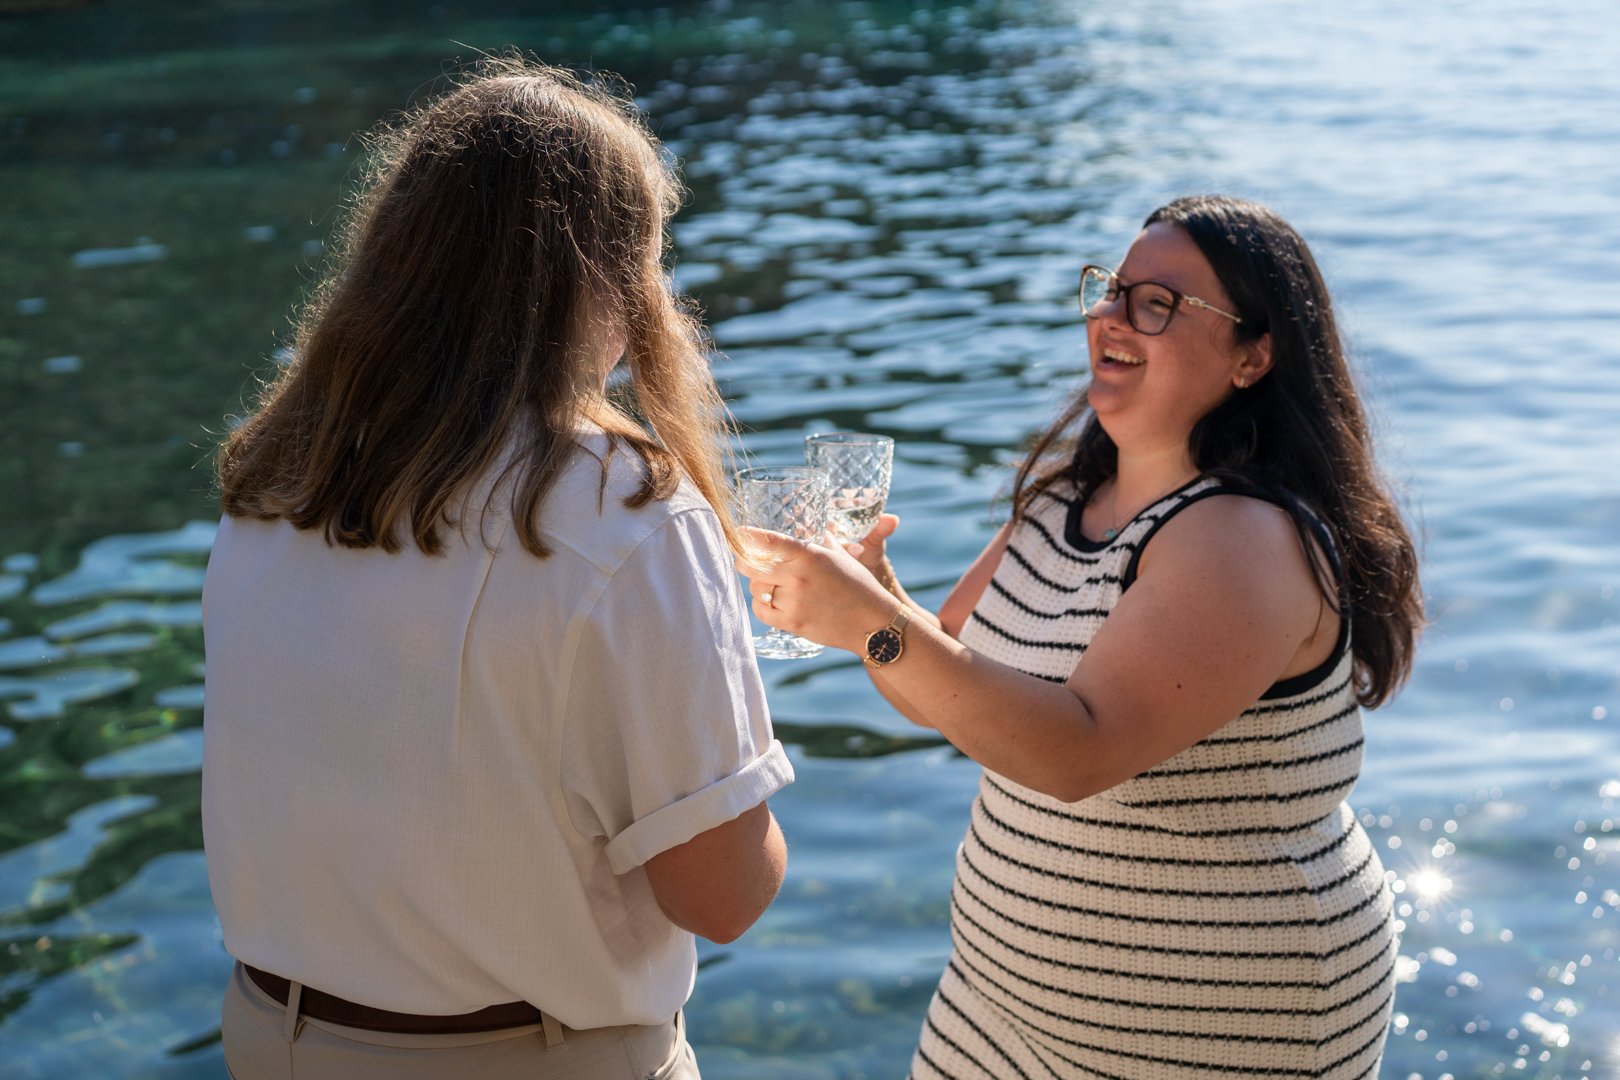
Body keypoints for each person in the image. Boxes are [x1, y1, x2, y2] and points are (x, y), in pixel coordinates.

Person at [740, 195, 1422, 1079]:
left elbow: (1080, 752)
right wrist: (878, 603)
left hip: (1218, 1030)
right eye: (1110, 290)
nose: (1109, 315)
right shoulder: (1065, 498)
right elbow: (947, 688)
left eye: (1157, 303)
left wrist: (873, 625)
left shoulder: (1245, 538)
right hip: (996, 1007)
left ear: (1254, 354)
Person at [202, 59, 792, 1080]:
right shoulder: (625, 515)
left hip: (273, 1041)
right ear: (610, 283)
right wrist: (738, 723)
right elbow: (724, 897)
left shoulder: (277, 477)